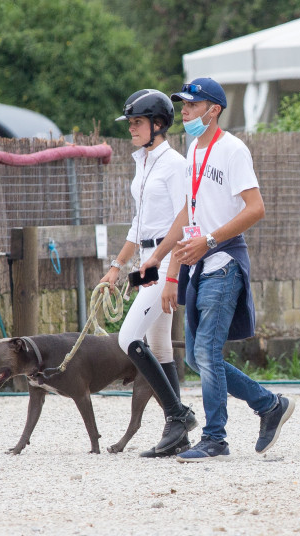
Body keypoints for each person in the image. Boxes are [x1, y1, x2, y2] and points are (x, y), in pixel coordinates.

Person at [140, 77, 295, 462]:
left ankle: (215, 438)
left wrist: (209, 241)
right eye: (184, 105)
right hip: (198, 265)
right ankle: (268, 404)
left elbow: (256, 208)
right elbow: (188, 214)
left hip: (223, 263)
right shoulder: (193, 149)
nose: (185, 112)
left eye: (192, 105)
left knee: (205, 353)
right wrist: (165, 263)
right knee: (196, 356)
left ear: (214, 110)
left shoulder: (233, 150)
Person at [100, 89, 197, 458]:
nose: (131, 129)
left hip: (167, 260)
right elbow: (139, 223)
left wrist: (157, 259)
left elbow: (184, 216)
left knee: (128, 338)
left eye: (137, 123)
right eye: (131, 123)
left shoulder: (175, 164)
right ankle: (178, 433)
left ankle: (178, 414)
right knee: (158, 347)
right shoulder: (142, 162)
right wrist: (115, 266)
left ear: (158, 124)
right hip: (146, 258)